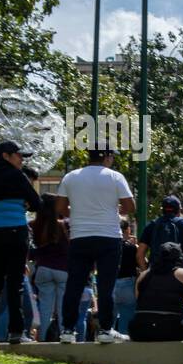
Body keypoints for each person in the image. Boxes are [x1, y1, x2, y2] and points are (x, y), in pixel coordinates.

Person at [56, 144, 134, 343]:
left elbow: (60, 208)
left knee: (74, 284)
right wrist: (110, 210)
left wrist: (82, 213)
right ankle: (106, 330)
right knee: (106, 286)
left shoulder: (71, 177)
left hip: (80, 236)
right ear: (107, 156)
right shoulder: (115, 177)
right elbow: (130, 206)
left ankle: (67, 330)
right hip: (108, 237)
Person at [130, 241, 183, 341]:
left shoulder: (143, 275)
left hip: (139, 329)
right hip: (171, 329)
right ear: (179, 257)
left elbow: (139, 300)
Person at [29, 193, 71, 341]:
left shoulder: (33, 225)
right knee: (61, 308)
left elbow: (31, 251)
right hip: (63, 270)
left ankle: (41, 339)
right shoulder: (63, 225)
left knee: (45, 307)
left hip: (42, 269)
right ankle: (64, 336)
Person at [137, 194, 183, 271]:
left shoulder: (151, 225)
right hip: (180, 273)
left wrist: (147, 272)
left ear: (163, 210)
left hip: (155, 273)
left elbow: (139, 255)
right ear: (178, 210)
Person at [115, 219, 140, 335]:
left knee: (108, 320)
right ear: (127, 230)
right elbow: (141, 263)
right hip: (128, 283)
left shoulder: (109, 247)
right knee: (126, 318)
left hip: (110, 283)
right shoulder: (132, 247)